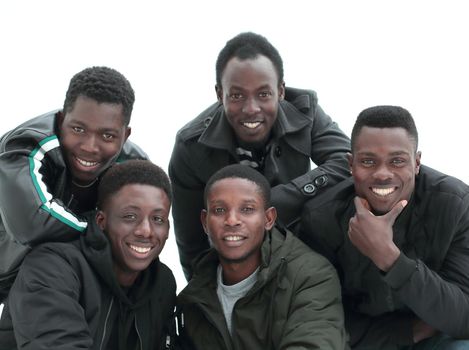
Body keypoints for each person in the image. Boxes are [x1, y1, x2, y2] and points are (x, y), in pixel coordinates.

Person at [169, 32, 351, 279]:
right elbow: (192, 245)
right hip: (236, 262)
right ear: (219, 93)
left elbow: (348, 161)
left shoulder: (306, 112)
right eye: (237, 96)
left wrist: (277, 200)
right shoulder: (190, 145)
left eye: (264, 94)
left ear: (281, 91)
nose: (251, 108)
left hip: (301, 250)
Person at [300, 105, 469, 349]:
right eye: (368, 161)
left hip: (436, 340)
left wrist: (388, 257)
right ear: (350, 164)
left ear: (417, 162)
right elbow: (319, 319)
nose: (382, 174)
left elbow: (464, 318)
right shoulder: (320, 219)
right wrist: (407, 333)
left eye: (397, 161)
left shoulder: (454, 204)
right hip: (368, 342)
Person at [0, 66, 147, 301]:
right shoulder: (25, 146)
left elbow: (138, 237)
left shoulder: (134, 168)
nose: (90, 146)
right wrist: (100, 228)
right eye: (78, 129)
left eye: (107, 136)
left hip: (45, 284)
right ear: (61, 120)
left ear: (125, 135)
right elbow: (30, 224)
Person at [0, 160, 177, 349]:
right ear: (101, 220)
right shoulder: (51, 267)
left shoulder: (161, 283)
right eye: (130, 216)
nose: (146, 231)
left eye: (158, 219)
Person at [176, 164, 346, 349]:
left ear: (268, 219)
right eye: (219, 210)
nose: (232, 220)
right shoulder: (194, 296)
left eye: (247, 209)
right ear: (205, 222)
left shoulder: (311, 275)